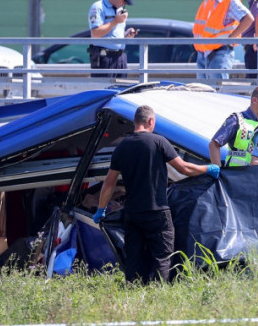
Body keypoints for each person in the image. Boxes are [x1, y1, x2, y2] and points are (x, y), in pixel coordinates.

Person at [93, 105, 220, 284]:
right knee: (162, 256)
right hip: (157, 211)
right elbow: (183, 168)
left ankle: (134, 293)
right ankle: (158, 294)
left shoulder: (122, 146)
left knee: (134, 257)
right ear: (151, 121)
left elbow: (109, 182)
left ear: (135, 121)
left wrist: (101, 209)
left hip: (132, 213)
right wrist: (207, 168)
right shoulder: (159, 141)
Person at [192, 0, 254, 80]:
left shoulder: (230, 0)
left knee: (217, 92)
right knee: (205, 93)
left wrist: (232, 37)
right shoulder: (213, 1)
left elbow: (249, 18)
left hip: (221, 52)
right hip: (208, 52)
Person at [209, 84, 258, 166]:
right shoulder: (236, 119)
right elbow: (214, 144)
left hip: (257, 176)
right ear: (254, 100)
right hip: (234, 176)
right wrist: (217, 172)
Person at [88, 0, 138, 78]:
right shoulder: (98, 7)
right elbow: (95, 33)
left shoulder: (119, 8)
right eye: (123, 0)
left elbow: (113, 33)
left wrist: (126, 34)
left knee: (122, 91)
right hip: (104, 57)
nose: (124, 3)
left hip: (120, 57)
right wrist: (115, 21)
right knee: (104, 91)